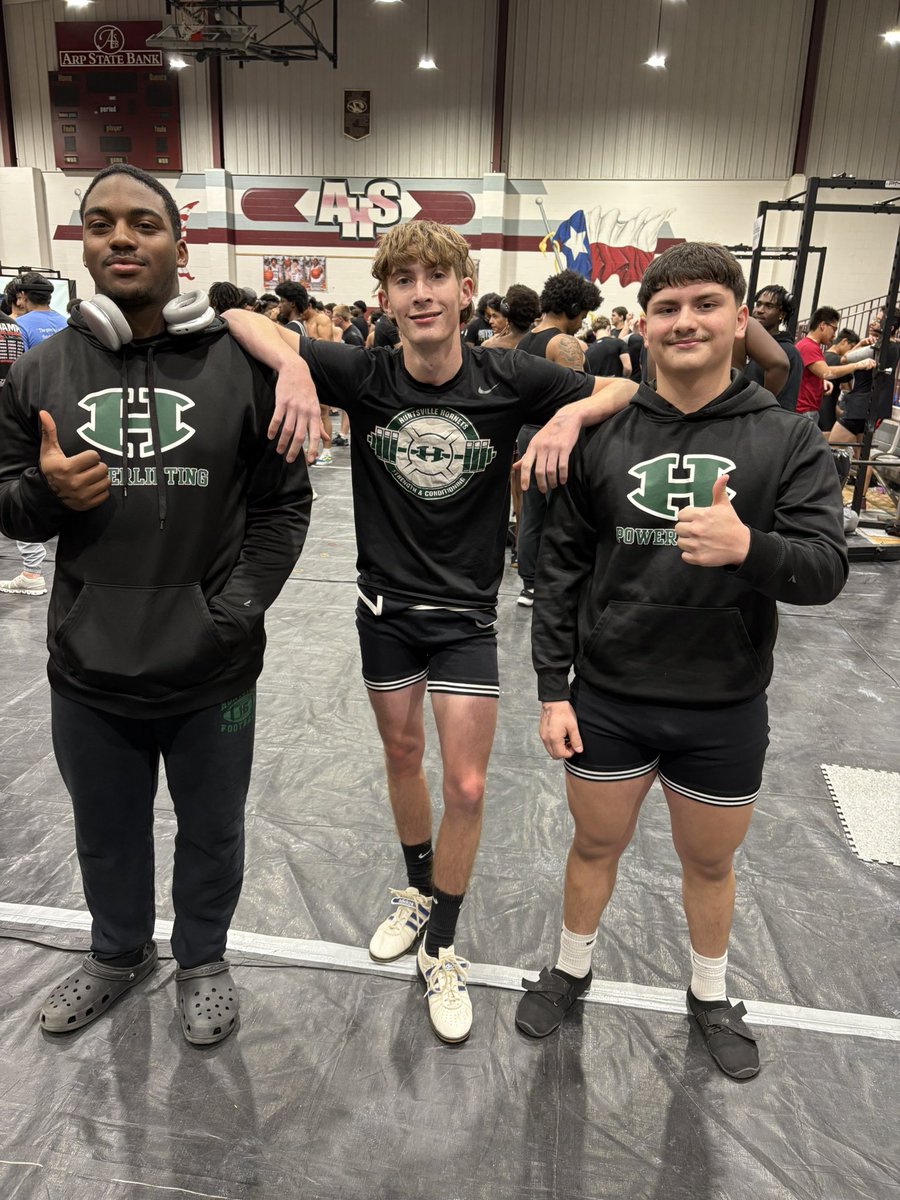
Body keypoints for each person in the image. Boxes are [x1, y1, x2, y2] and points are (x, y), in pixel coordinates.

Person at [222, 219, 637, 1044]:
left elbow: (626, 388)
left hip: (463, 620)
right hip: (385, 612)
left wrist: (566, 419)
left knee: (471, 785)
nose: (421, 292)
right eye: (404, 280)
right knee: (403, 757)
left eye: (435, 277)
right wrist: (297, 366)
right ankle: (419, 891)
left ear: (461, 290)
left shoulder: (508, 375)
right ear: (386, 298)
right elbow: (238, 315)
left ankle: (442, 942)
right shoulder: (365, 371)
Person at [517, 242, 848, 1080]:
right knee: (593, 847)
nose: (685, 321)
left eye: (705, 304)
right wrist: (553, 691)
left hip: (723, 702)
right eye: (667, 308)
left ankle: (709, 993)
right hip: (611, 697)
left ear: (741, 321)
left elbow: (826, 570)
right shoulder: (601, 432)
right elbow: (556, 573)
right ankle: (570, 968)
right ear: (645, 326)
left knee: (710, 860)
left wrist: (750, 548)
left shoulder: (787, 438)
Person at [0, 163, 314, 1045]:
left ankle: (204, 957)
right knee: (106, 830)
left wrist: (235, 611)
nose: (122, 238)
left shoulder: (243, 366)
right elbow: (6, 497)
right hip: (89, 663)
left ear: (180, 242)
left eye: (143, 222)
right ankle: (117, 952)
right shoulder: (42, 371)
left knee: (212, 829)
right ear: (83, 245)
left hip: (212, 666)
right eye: (101, 224)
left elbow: (285, 505)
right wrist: (48, 493)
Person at [514, 270, 601, 606]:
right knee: (565, 513)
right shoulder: (563, 343)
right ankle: (559, 583)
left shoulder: (526, 340)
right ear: (574, 307)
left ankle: (531, 584)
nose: (581, 323)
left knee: (532, 512)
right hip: (557, 435)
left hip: (528, 432)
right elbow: (579, 400)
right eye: (582, 314)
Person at [0, 272, 68, 598]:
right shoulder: (67, 324)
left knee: (19, 486)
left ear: (22, 296)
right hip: (64, 417)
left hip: (27, 420)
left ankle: (31, 569)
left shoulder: (20, 325)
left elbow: (18, 378)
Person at [275, 281, 336, 463]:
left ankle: (325, 451)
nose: (279, 305)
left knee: (320, 413)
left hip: (313, 376)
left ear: (292, 303)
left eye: (282, 301)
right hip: (304, 379)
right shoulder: (300, 325)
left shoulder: (299, 327)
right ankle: (311, 454)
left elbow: (326, 348)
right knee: (307, 420)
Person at [795, 307, 874, 423]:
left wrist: (821, 383)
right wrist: (858, 365)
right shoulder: (809, 347)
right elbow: (826, 372)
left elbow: (809, 374)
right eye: (834, 329)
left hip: (807, 410)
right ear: (823, 325)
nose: (834, 335)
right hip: (804, 412)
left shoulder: (808, 346)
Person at [746, 285, 803, 411]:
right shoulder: (748, 346)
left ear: (781, 314)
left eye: (769, 306)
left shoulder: (789, 353)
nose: (760, 310)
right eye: (758, 304)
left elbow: (785, 404)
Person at [13, 272, 67, 349]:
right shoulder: (66, 322)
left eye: (19, 298)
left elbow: (20, 360)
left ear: (24, 295)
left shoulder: (19, 325)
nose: (18, 303)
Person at [821, 327, 859, 434]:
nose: (851, 352)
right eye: (851, 348)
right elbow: (846, 388)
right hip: (827, 412)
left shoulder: (821, 357)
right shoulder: (840, 362)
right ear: (844, 342)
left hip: (814, 407)